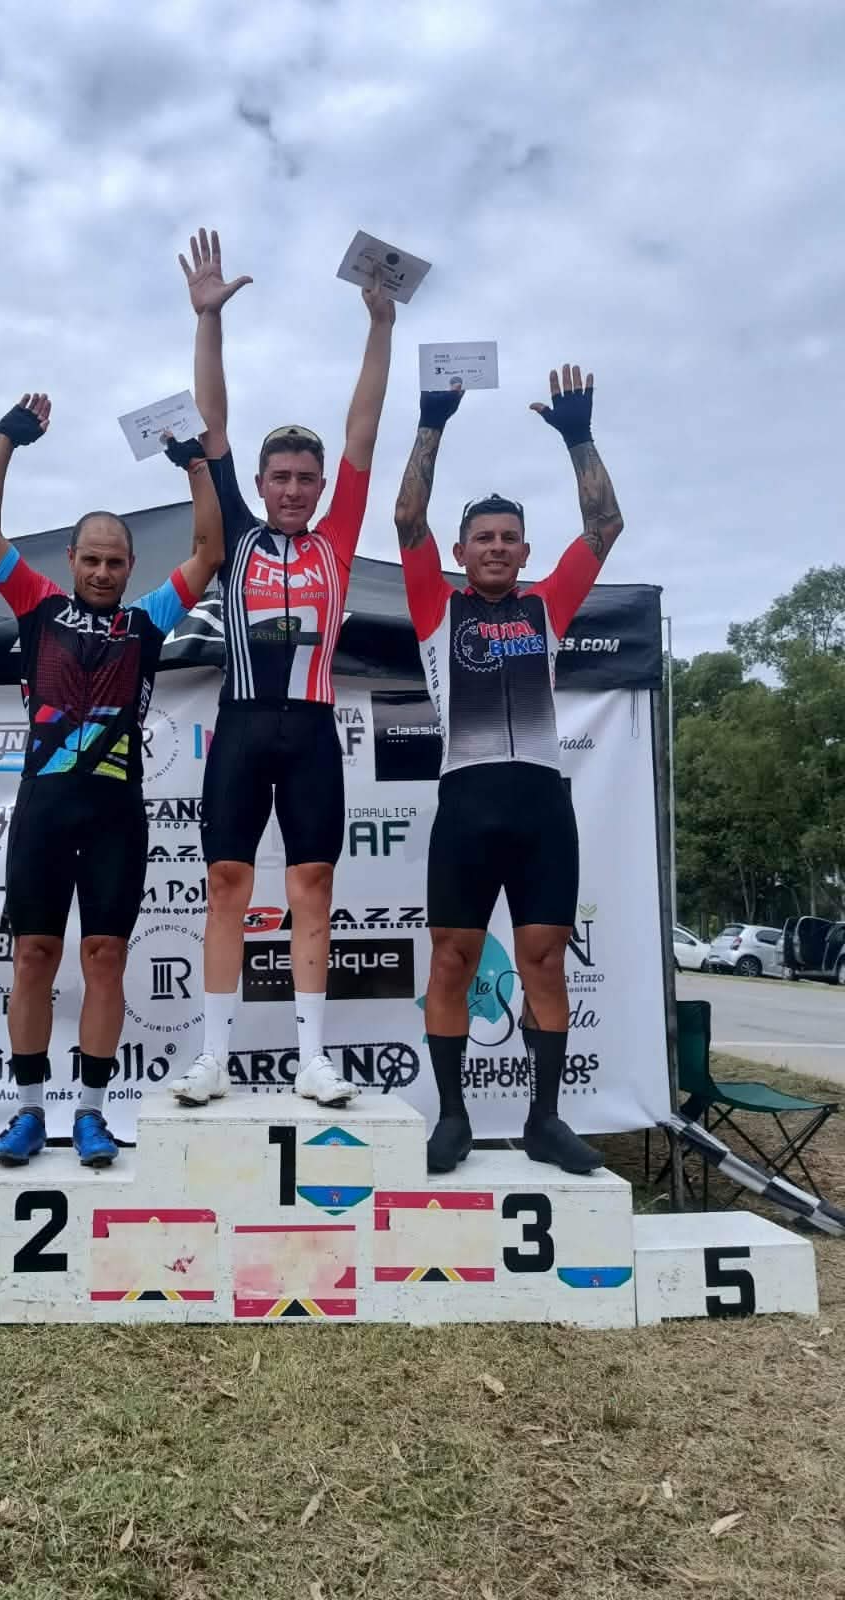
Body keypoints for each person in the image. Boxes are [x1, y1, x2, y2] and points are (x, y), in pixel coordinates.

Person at [165, 228, 395, 1110]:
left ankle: (312, 1058)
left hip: (310, 730)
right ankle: (212, 1058)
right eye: (281, 477)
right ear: (259, 484)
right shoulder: (237, 535)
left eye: (306, 477)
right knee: (227, 884)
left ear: (320, 486)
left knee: (312, 885)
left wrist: (380, 326)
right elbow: (211, 424)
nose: (295, 489)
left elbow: (363, 428)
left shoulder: (337, 541)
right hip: (241, 725)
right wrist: (208, 320)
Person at [0, 392, 224, 1167]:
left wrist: (194, 465)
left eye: (115, 562)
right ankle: (26, 1113)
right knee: (34, 957)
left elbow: (209, 550)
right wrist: (5, 438)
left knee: (105, 958)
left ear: (130, 567)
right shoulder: (37, 606)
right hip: (43, 811)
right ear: (71, 560)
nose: (104, 572)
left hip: (115, 816)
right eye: (92, 560)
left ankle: (91, 1114)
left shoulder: (146, 621)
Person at [393, 364, 624, 1174]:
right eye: (482, 538)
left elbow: (605, 524)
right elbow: (407, 518)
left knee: (545, 961)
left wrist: (578, 437)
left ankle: (544, 1121)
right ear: (460, 552)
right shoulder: (436, 607)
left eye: (508, 538)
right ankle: (453, 1118)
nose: (495, 547)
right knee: (452, 960)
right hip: (467, 803)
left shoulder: (546, 605)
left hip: (539, 807)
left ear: (525, 551)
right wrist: (432, 421)